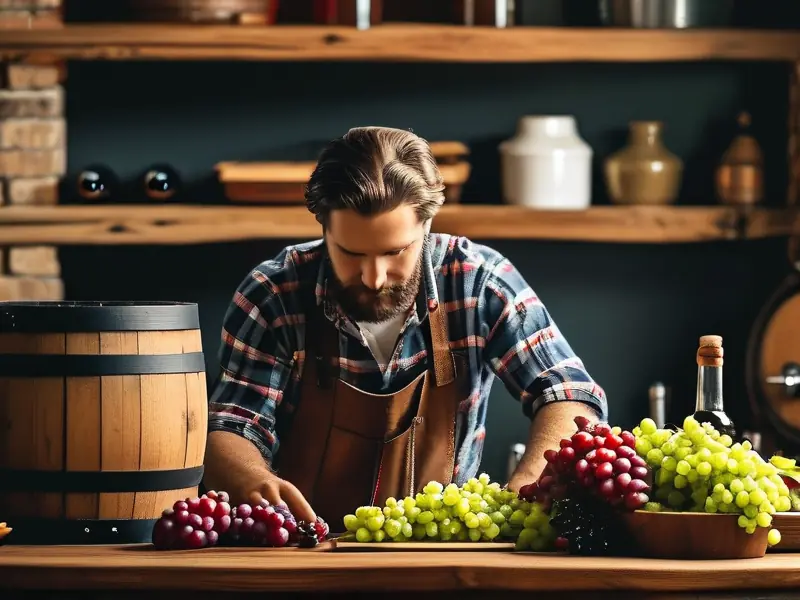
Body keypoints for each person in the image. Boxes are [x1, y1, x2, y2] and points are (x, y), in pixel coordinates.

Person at [203, 126, 608, 527]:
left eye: (395, 252)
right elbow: (232, 425)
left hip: (444, 550)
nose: (374, 278)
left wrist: (530, 484)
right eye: (350, 253)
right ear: (324, 227)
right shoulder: (274, 293)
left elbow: (569, 394)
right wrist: (250, 479)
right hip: (300, 551)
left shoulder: (480, 282)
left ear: (426, 225)